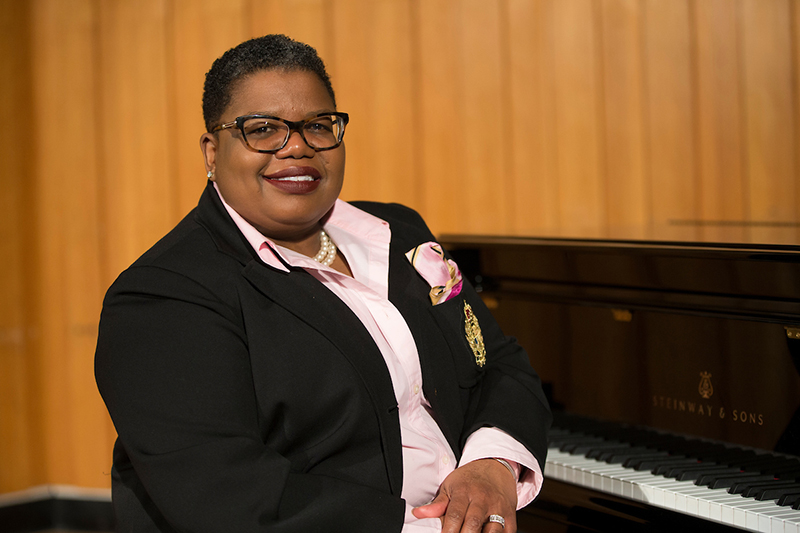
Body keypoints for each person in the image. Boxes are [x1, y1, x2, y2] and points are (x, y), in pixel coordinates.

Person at [95, 34, 551, 533]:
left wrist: (494, 465)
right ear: (211, 151)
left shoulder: (401, 234)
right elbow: (225, 497)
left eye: (318, 125)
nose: (296, 147)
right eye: (262, 129)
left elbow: (499, 362)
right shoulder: (164, 296)